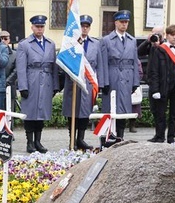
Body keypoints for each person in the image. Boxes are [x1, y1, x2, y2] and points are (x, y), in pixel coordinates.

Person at [62, 14, 106, 151]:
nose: (84, 29)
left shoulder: (96, 44)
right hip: (73, 82)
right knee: (72, 111)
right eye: (82, 26)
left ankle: (81, 139)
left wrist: (101, 84)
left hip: (88, 83)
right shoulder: (70, 42)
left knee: (85, 112)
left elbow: (99, 65)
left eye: (87, 26)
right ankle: (72, 140)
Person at [16, 14, 59, 153]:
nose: (39, 29)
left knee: (41, 112)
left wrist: (55, 85)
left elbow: (54, 66)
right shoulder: (24, 44)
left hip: (46, 79)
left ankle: (38, 141)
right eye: (37, 27)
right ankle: (29, 142)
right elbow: (21, 67)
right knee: (30, 112)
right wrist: (23, 86)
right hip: (31, 79)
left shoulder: (50, 44)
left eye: (42, 27)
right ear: (32, 27)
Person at [100, 9, 140, 141]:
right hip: (112, 76)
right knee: (110, 108)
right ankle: (106, 137)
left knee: (124, 109)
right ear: (116, 23)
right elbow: (103, 62)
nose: (124, 25)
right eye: (122, 22)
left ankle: (121, 137)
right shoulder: (106, 40)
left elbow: (134, 61)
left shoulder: (132, 40)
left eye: (126, 22)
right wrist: (103, 82)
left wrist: (135, 82)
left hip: (127, 77)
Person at [147, 24, 175, 144]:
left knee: (174, 114)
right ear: (167, 35)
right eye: (172, 35)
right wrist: (155, 89)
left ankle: (171, 137)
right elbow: (154, 70)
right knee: (160, 113)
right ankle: (160, 136)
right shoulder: (160, 49)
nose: (174, 38)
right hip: (163, 86)